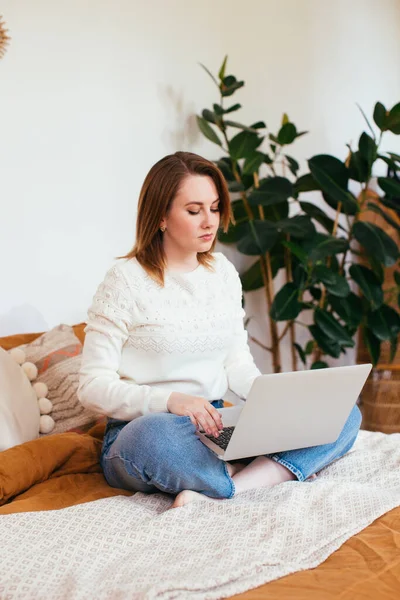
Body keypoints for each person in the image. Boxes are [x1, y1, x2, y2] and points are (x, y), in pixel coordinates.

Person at [77, 151, 362, 509]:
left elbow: (236, 363)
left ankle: (231, 488)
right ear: (161, 215)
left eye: (214, 208)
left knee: (344, 413)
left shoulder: (223, 273)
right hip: (151, 427)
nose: (209, 221)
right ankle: (266, 473)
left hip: (218, 421)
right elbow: (90, 388)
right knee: (152, 439)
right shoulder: (124, 281)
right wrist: (171, 401)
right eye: (194, 211)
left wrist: (271, 402)